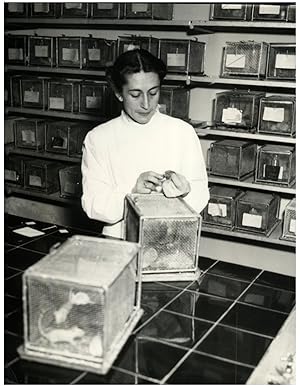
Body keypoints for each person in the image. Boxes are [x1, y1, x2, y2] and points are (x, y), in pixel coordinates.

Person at [81, 48, 209, 239]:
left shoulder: (182, 132)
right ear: (118, 93)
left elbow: (201, 194)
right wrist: (133, 193)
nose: (146, 104)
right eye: (135, 94)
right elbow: (93, 205)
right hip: (120, 240)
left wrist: (184, 194)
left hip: (173, 240)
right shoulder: (99, 138)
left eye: (153, 92)